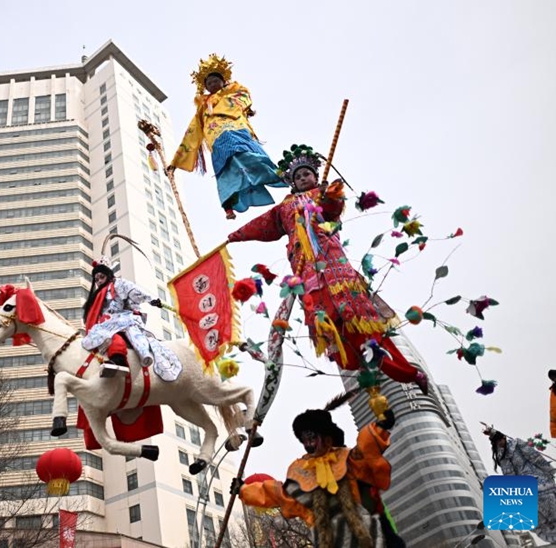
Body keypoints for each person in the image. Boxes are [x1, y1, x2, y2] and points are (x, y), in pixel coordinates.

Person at [226, 144, 428, 394]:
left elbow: (333, 210)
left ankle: (405, 370)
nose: (302, 179)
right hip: (303, 266)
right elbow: (263, 225)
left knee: (357, 318)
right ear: (292, 182)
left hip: (330, 260)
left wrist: (331, 195)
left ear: (315, 175)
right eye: (297, 177)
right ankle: (362, 360)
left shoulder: (322, 194)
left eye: (306, 174)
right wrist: (235, 235)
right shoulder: (284, 206)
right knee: (328, 321)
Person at [232, 408, 405, 548]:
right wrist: (244, 489)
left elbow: (366, 449)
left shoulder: (346, 457)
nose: (308, 443)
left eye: (312, 437)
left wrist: (381, 427)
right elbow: (279, 493)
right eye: (304, 439)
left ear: (326, 436)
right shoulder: (300, 470)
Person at [167, 54, 286, 219]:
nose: (212, 84)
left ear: (223, 81)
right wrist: (175, 162)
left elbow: (244, 98)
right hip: (215, 139)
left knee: (244, 153)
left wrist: (219, 106)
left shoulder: (235, 91)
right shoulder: (202, 108)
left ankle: (276, 174)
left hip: (235, 129)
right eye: (209, 83)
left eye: (215, 80)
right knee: (225, 167)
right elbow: (192, 133)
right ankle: (228, 204)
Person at [81, 259, 165, 377]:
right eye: (96, 279)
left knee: (112, 336)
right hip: (107, 323)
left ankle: (120, 361)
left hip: (124, 318)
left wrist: (151, 300)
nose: (99, 281)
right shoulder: (97, 296)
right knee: (96, 336)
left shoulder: (118, 284)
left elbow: (133, 291)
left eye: (101, 277)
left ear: (108, 275)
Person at [485, 426, 556, 542]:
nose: (500, 444)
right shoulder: (502, 456)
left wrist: (548, 470)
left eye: (500, 441)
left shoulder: (516, 445)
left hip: (538, 482)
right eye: (497, 442)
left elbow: (534, 457)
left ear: (504, 438)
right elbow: (510, 478)